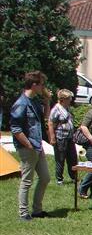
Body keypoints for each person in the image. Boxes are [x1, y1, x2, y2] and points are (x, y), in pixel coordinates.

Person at [10, 71, 52, 220]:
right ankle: (23, 213)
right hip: (27, 147)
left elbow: (45, 119)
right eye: (41, 84)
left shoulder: (34, 101)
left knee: (45, 178)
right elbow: (15, 129)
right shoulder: (21, 103)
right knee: (27, 180)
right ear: (34, 85)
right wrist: (28, 145)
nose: (43, 87)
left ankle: (37, 210)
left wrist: (47, 102)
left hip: (36, 145)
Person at [48, 89, 78, 185]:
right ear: (62, 99)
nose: (70, 100)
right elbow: (51, 123)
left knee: (73, 158)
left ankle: (74, 177)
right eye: (69, 98)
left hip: (70, 138)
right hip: (60, 138)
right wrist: (52, 137)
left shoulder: (68, 108)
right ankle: (59, 179)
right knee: (60, 159)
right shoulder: (56, 109)